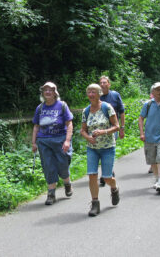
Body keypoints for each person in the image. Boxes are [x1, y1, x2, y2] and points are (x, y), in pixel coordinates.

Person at [80, 84, 120, 216]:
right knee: (92, 174)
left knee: (107, 177)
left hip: (107, 147)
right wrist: (88, 138)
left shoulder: (107, 107)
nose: (91, 94)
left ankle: (114, 188)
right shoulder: (86, 111)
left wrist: (103, 132)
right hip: (92, 148)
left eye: (93, 92)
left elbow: (116, 126)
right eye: (89, 92)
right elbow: (83, 130)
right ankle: (95, 204)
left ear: (99, 94)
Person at [32, 82, 74, 205]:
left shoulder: (62, 106)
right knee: (48, 166)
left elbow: (69, 124)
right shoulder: (40, 108)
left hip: (60, 139)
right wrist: (33, 143)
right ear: (43, 93)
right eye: (45, 90)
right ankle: (51, 194)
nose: (48, 92)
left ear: (55, 93)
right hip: (43, 141)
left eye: (50, 90)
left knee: (63, 164)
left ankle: (67, 183)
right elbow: (36, 126)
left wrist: (67, 140)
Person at [98, 76, 125, 186]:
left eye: (105, 82)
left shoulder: (115, 95)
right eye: (101, 83)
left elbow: (122, 112)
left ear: (109, 84)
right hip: (100, 129)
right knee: (100, 150)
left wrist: (122, 127)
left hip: (113, 128)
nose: (103, 84)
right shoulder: (96, 96)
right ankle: (108, 172)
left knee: (109, 150)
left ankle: (106, 173)